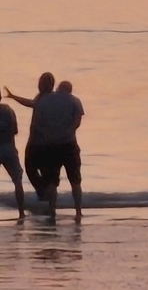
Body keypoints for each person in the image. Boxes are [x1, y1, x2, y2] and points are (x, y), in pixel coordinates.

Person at [33, 80, 85, 223]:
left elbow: (39, 121)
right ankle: (78, 211)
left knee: (51, 181)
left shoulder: (45, 101)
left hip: (51, 145)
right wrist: (68, 130)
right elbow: (77, 121)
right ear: (69, 89)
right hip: (69, 144)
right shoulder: (74, 100)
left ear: (58, 88)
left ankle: (52, 209)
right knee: (75, 180)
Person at [4, 72, 55, 199]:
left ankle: (45, 195)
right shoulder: (41, 97)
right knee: (31, 170)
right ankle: (44, 195)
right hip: (36, 140)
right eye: (40, 82)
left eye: (43, 83)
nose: (40, 85)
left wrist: (13, 96)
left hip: (41, 142)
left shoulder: (48, 99)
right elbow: (32, 103)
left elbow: (31, 104)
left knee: (35, 170)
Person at [0, 97, 25, 218]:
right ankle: (21, 212)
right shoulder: (8, 110)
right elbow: (15, 130)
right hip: (9, 148)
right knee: (17, 181)